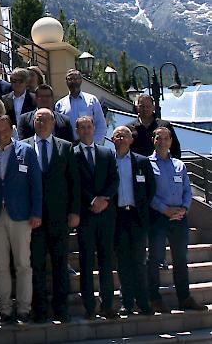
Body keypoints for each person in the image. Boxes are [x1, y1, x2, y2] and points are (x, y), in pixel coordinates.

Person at [21, 108, 80, 323]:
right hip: (32, 217)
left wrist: (74, 211)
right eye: (38, 119)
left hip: (59, 217)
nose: (42, 123)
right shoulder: (23, 146)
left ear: (53, 123)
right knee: (35, 265)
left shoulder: (66, 147)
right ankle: (40, 309)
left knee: (59, 263)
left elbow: (74, 182)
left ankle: (61, 308)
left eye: (46, 120)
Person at [0, 115, 42, 324]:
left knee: (22, 263)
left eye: (5, 130)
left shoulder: (25, 151)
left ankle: (24, 309)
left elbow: (36, 184)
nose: (1, 135)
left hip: (20, 215)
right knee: (0, 265)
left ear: (11, 129)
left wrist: (37, 212)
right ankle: (6, 309)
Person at [147, 127, 206, 313]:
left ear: (171, 141)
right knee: (155, 258)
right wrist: (165, 210)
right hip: (158, 218)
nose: (162, 141)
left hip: (179, 219)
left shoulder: (179, 165)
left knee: (180, 259)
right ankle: (154, 298)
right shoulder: (146, 164)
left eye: (166, 138)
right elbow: (147, 194)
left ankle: (184, 298)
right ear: (153, 140)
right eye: (159, 138)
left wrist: (184, 209)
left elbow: (188, 191)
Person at [73, 116, 120, 320]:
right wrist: (92, 200)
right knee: (86, 261)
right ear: (77, 130)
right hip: (86, 215)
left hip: (106, 215)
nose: (85, 130)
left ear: (94, 128)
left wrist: (104, 199)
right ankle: (90, 307)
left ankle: (107, 304)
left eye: (88, 127)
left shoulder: (106, 152)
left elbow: (114, 179)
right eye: (81, 127)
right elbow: (74, 183)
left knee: (106, 260)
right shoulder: (71, 154)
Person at [111, 125, 156, 316]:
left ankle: (143, 302)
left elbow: (150, 189)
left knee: (139, 261)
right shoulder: (107, 160)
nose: (121, 139)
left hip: (136, 217)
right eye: (117, 136)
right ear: (113, 140)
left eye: (125, 136)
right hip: (118, 217)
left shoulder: (142, 162)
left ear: (131, 140)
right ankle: (126, 302)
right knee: (123, 263)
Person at [55, 69, 106, 144]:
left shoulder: (92, 100)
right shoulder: (60, 104)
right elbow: (57, 128)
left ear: (81, 80)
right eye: (70, 79)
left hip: (89, 146)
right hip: (69, 147)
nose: (73, 81)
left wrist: (93, 143)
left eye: (76, 78)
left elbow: (101, 124)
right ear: (66, 82)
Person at [127, 94, 182, 159]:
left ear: (153, 107)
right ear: (137, 107)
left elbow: (176, 149)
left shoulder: (164, 125)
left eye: (148, 106)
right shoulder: (129, 129)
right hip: (138, 167)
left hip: (160, 166)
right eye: (142, 106)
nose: (145, 109)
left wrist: (169, 164)